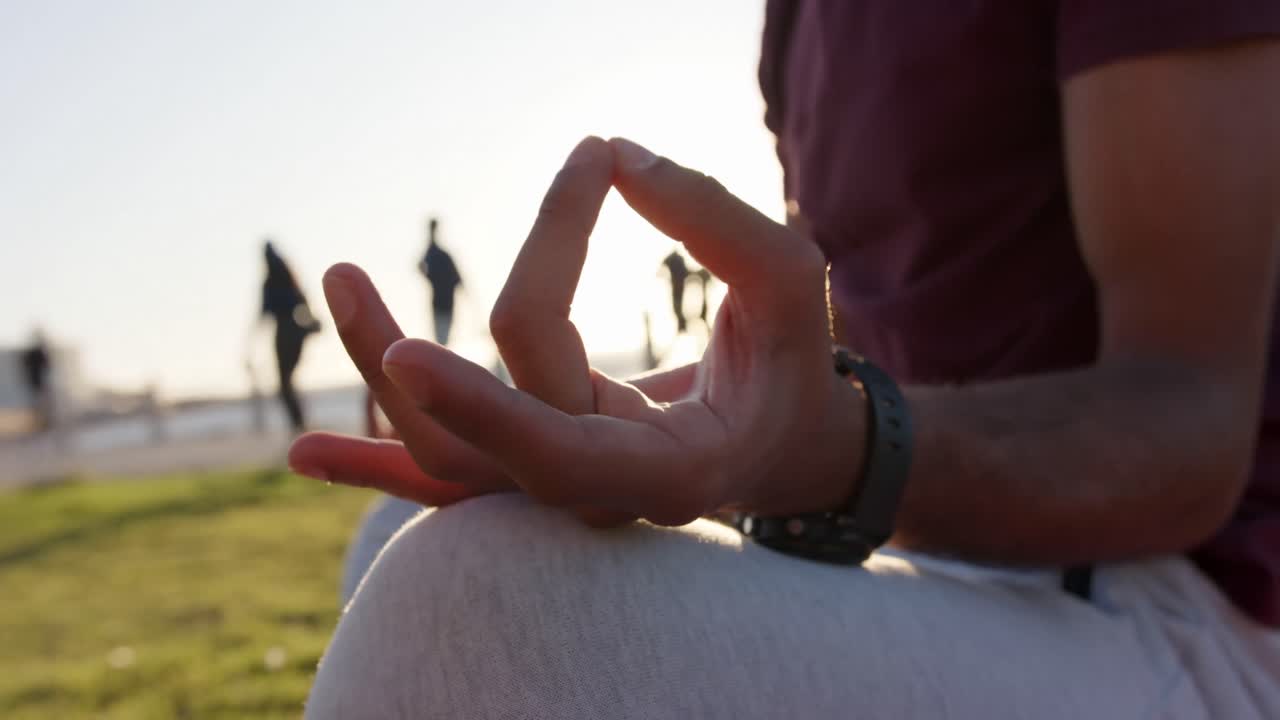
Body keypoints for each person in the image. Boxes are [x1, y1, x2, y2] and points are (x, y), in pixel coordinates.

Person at [290, 5, 1280, 718]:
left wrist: (816, 452)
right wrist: (593, 421)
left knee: (469, 605)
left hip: (1193, 609)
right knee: (404, 530)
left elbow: (1190, 427)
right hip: (954, 563)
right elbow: (827, 343)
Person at [260, 241, 318, 432]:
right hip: (296, 331)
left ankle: (298, 423)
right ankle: (299, 422)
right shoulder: (290, 278)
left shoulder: (270, 283)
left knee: (285, 383)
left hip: (284, 333)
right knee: (288, 381)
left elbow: (265, 312)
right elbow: (303, 303)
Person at [418, 217, 462, 346]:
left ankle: (442, 353)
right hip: (441, 303)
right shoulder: (435, 254)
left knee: (442, 339)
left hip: (445, 303)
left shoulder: (440, 255)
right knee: (441, 339)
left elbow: (458, 280)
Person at [20, 330, 52, 432]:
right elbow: (47, 365)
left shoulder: (34, 352)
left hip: (38, 381)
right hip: (37, 381)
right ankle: (41, 422)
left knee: (40, 402)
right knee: (39, 402)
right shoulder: (37, 352)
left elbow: (46, 365)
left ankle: (43, 421)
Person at [660, 249, 690, 332]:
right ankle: (681, 326)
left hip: (678, 286)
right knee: (677, 306)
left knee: (677, 306)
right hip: (678, 285)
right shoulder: (679, 259)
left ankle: (682, 326)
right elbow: (686, 272)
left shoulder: (674, 259)